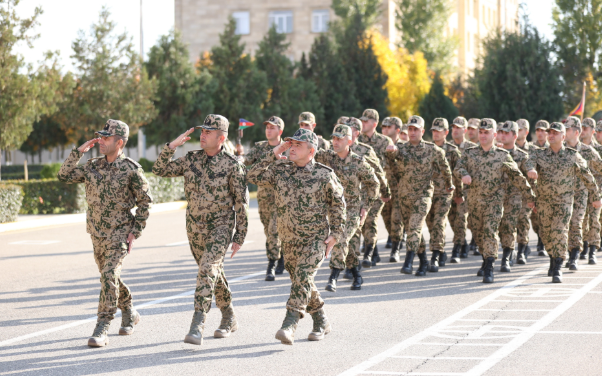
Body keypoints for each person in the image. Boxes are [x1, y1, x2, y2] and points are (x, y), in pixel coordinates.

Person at [153, 114, 249, 346]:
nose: (202, 135)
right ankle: (229, 316)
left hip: (221, 227)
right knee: (212, 274)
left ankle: (198, 324)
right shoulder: (191, 159)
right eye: (202, 131)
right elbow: (159, 169)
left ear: (221, 137)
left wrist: (239, 236)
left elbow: (241, 203)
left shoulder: (232, 165)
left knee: (206, 270)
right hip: (194, 227)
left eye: (208, 132)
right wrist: (172, 146)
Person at [58, 119, 152, 347]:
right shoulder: (92, 165)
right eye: (100, 136)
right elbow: (64, 175)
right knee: (109, 278)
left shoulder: (131, 169)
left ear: (119, 142)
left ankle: (102, 326)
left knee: (108, 277)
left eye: (106, 138)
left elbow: (146, 202)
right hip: (96, 233)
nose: (101, 141)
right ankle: (129, 310)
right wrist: (78, 151)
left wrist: (135, 232)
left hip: (119, 234)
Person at [247, 128, 346, 345]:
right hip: (288, 240)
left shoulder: (324, 174)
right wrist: (275, 151)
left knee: (302, 276)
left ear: (311, 151)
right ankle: (321, 322)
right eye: (290, 144)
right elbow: (251, 174)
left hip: (315, 239)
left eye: (297, 145)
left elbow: (339, 206)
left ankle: (289, 323)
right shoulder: (280, 169)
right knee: (303, 281)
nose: (292, 148)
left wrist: (336, 234)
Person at [454, 119, 535, 283]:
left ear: (494, 135)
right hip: (475, 202)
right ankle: (486, 260)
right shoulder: (469, 153)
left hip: (495, 203)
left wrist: (530, 197)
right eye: (481, 132)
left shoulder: (502, 155)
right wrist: (464, 174)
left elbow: (517, 177)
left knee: (490, 232)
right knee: (478, 233)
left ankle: (489, 267)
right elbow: (457, 168)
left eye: (487, 132)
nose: (483, 135)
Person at [530, 121, 601, 283]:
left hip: (566, 200)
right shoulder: (539, 154)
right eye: (550, 132)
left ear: (563, 136)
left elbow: (588, 175)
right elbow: (529, 162)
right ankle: (553, 256)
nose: (551, 135)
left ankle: (559, 265)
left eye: (556, 132)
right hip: (545, 201)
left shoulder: (573, 155)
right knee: (547, 234)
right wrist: (531, 170)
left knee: (561, 230)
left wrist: (596, 196)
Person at [385, 115, 454, 276]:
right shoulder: (400, 149)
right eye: (410, 129)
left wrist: (449, 184)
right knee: (411, 230)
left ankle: (408, 261)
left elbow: (445, 167)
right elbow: (393, 169)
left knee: (415, 226)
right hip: (404, 196)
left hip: (423, 195)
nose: (412, 132)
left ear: (422, 131)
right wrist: (390, 155)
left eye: (416, 129)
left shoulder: (432, 150)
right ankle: (423, 261)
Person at [315, 124, 380, 292]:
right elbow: (308, 154)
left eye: (339, 139)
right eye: (334, 138)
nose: (335, 142)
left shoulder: (358, 162)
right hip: (333, 210)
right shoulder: (327, 157)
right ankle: (357, 275)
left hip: (352, 210)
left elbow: (374, 184)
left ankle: (333, 276)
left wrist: (366, 206)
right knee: (347, 245)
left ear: (349, 141)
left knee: (340, 239)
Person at [237, 116, 286, 281]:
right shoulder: (259, 148)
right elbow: (247, 160)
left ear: (280, 131)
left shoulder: (288, 148)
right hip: (264, 197)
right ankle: (281, 256)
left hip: (283, 198)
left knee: (274, 230)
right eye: (267, 127)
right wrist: (240, 158)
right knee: (269, 230)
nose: (268, 130)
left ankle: (271, 264)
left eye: (272, 128)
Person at [346, 117, 390, 269]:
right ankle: (352, 263)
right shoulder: (338, 151)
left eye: (349, 129)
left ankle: (368, 253)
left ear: (356, 133)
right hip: (351, 198)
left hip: (369, 196)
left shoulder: (366, 150)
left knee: (370, 222)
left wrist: (385, 191)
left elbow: (378, 172)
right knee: (353, 229)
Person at [496, 121, 537, 270]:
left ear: (514, 135)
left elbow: (529, 166)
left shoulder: (522, 155)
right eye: (501, 132)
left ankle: (514, 253)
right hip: (498, 196)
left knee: (517, 223)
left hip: (517, 196)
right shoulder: (496, 152)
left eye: (506, 133)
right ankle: (509, 250)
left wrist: (532, 171)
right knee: (501, 227)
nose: (503, 136)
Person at [563, 117, 602, 267]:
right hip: (565, 194)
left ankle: (584, 252)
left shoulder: (589, 150)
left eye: (568, 129)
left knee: (584, 222)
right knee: (567, 224)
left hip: (586, 192)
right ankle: (572, 251)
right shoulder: (560, 149)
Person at [426, 118, 463, 272]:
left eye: (438, 131)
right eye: (433, 131)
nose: (435, 133)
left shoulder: (453, 151)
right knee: (429, 223)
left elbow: (458, 173)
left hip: (445, 193)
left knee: (439, 222)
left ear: (446, 133)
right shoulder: (427, 149)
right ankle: (440, 249)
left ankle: (434, 255)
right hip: (427, 193)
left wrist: (459, 193)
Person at [358, 109, 393, 266]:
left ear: (375, 123)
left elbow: (393, 164)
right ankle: (373, 251)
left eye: (366, 121)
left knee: (371, 219)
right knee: (363, 223)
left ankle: (368, 254)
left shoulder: (384, 141)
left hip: (376, 188)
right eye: (362, 121)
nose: (363, 123)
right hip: (359, 189)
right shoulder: (357, 140)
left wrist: (388, 189)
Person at [448, 116, 477, 262]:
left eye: (458, 128)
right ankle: (464, 243)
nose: (455, 130)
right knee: (451, 218)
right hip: (449, 191)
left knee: (460, 218)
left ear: (464, 130)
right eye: (453, 127)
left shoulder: (471, 149)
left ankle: (457, 248)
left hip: (465, 192)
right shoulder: (447, 147)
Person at [381, 116, 406, 259]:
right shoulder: (380, 146)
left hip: (399, 189)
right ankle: (394, 238)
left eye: (388, 127)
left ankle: (395, 249)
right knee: (386, 218)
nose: (385, 129)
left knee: (396, 218)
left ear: (397, 130)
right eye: (383, 127)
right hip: (384, 188)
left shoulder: (403, 147)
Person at [514, 119, 536, 262]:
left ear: (526, 132)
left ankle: (521, 249)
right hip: (510, 192)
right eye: (517, 129)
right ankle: (509, 250)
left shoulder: (533, 150)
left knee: (523, 221)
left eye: (521, 129)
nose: (518, 132)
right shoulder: (508, 149)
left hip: (526, 192)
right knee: (509, 223)